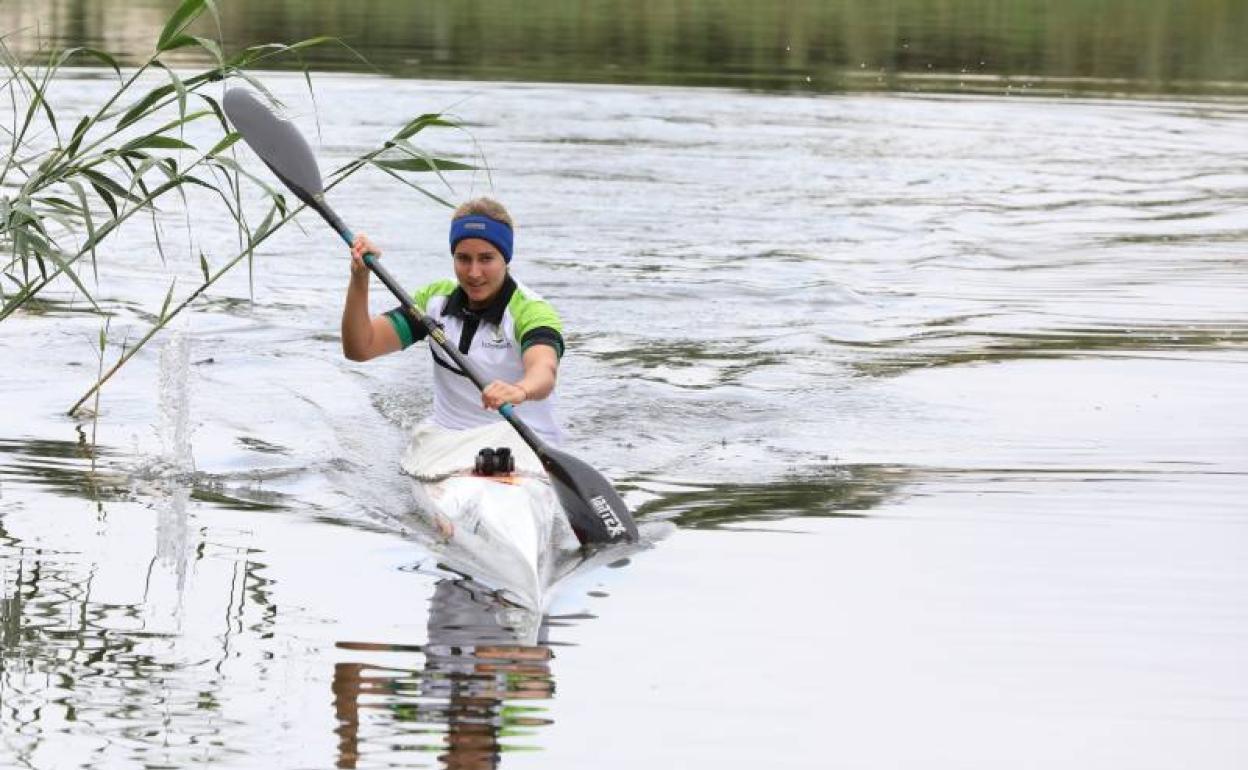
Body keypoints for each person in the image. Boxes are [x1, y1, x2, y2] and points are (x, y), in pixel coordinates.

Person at [341, 197, 564, 446]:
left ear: (506, 259)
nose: (474, 272)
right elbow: (360, 348)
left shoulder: (531, 310)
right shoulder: (433, 303)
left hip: (524, 444)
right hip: (448, 441)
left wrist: (520, 391)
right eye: (463, 258)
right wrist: (360, 277)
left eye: (486, 258)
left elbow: (544, 371)